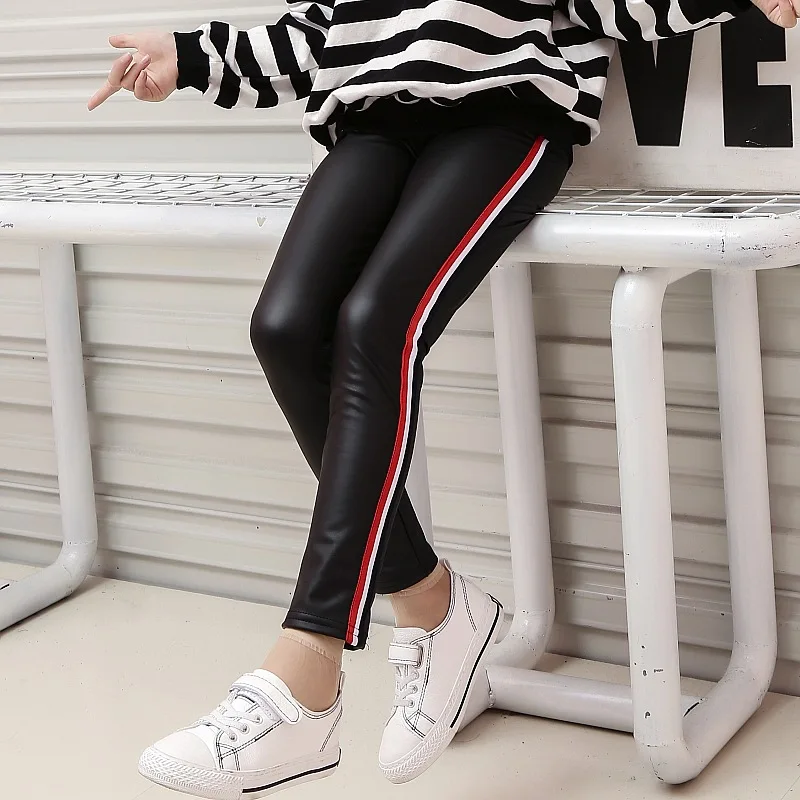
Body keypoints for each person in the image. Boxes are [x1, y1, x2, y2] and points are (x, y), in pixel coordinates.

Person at [88, 0, 796, 797]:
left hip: (504, 110)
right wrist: (191, 55)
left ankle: (306, 674)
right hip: (370, 116)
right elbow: (326, 26)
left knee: (377, 324)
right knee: (283, 329)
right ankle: (435, 603)